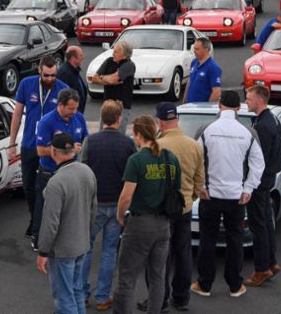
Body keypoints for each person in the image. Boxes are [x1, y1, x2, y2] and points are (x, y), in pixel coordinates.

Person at [193, 90, 265, 300]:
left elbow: (197, 160)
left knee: (207, 240)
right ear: (238, 108)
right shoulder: (247, 132)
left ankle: (204, 284)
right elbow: (258, 164)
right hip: (236, 197)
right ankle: (235, 285)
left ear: (220, 105)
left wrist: (201, 185)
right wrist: (248, 189)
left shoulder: (207, 130)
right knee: (235, 241)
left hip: (210, 195)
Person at [113, 116, 181, 314]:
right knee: (158, 276)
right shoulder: (170, 158)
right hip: (163, 225)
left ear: (139, 135)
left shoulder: (136, 160)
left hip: (140, 223)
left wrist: (119, 215)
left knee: (127, 277)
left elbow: (126, 196)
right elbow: (177, 190)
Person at [79, 100, 134, 311]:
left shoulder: (90, 141)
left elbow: (83, 171)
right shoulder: (128, 144)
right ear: (119, 119)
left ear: (102, 118)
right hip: (117, 203)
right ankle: (103, 297)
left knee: (86, 249)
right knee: (110, 251)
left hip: (94, 204)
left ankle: (82, 294)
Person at [9, 57, 69, 249]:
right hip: (29, 145)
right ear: (39, 71)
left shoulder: (63, 89)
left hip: (51, 149)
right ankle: (35, 218)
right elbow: (17, 114)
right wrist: (12, 144)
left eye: (53, 75)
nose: (50, 79)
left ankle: (39, 225)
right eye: (46, 75)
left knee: (44, 189)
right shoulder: (27, 84)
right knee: (28, 186)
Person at [37, 132, 97, 314]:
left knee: (64, 297)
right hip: (82, 244)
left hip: (63, 250)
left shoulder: (56, 182)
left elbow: (50, 222)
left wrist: (43, 251)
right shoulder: (87, 172)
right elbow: (93, 209)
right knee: (76, 290)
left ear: (54, 151)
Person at [155, 102, 205, 312]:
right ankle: (181, 297)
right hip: (184, 207)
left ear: (160, 122)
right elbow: (199, 180)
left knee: (161, 257)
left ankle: (161, 299)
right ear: (177, 120)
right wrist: (190, 198)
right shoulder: (194, 145)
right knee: (183, 253)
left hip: (162, 210)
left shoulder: (157, 146)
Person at [33, 89, 89, 251]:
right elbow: (40, 150)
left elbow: (86, 139)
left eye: (76, 108)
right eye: (71, 108)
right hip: (50, 172)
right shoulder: (46, 122)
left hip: (72, 172)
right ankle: (38, 239)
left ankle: (63, 238)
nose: (74, 111)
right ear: (60, 105)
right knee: (45, 207)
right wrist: (69, 151)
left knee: (69, 208)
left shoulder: (79, 118)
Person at [243, 86, 281, 288]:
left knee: (258, 225)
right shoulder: (271, 119)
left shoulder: (263, 126)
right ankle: (271, 262)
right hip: (268, 179)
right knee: (266, 222)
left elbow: (259, 159)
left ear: (259, 100)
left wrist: (249, 183)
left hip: (260, 182)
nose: (246, 101)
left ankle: (261, 269)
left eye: (249, 98)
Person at [90, 40, 136, 128]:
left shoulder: (129, 65)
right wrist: (106, 80)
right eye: (113, 51)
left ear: (124, 55)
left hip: (122, 107)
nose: (113, 54)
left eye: (116, 52)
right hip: (107, 106)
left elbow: (112, 79)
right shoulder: (109, 61)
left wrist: (103, 76)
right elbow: (94, 78)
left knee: (119, 136)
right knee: (102, 133)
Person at [185, 37, 222, 104]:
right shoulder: (194, 62)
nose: (194, 51)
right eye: (194, 48)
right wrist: (185, 101)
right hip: (190, 106)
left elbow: (216, 92)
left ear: (206, 50)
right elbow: (190, 82)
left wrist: (207, 109)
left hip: (201, 110)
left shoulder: (213, 67)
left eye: (197, 49)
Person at [57, 46, 87, 114]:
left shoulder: (74, 70)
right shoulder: (64, 73)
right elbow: (63, 97)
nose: (83, 58)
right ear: (73, 58)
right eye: (81, 55)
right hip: (71, 114)